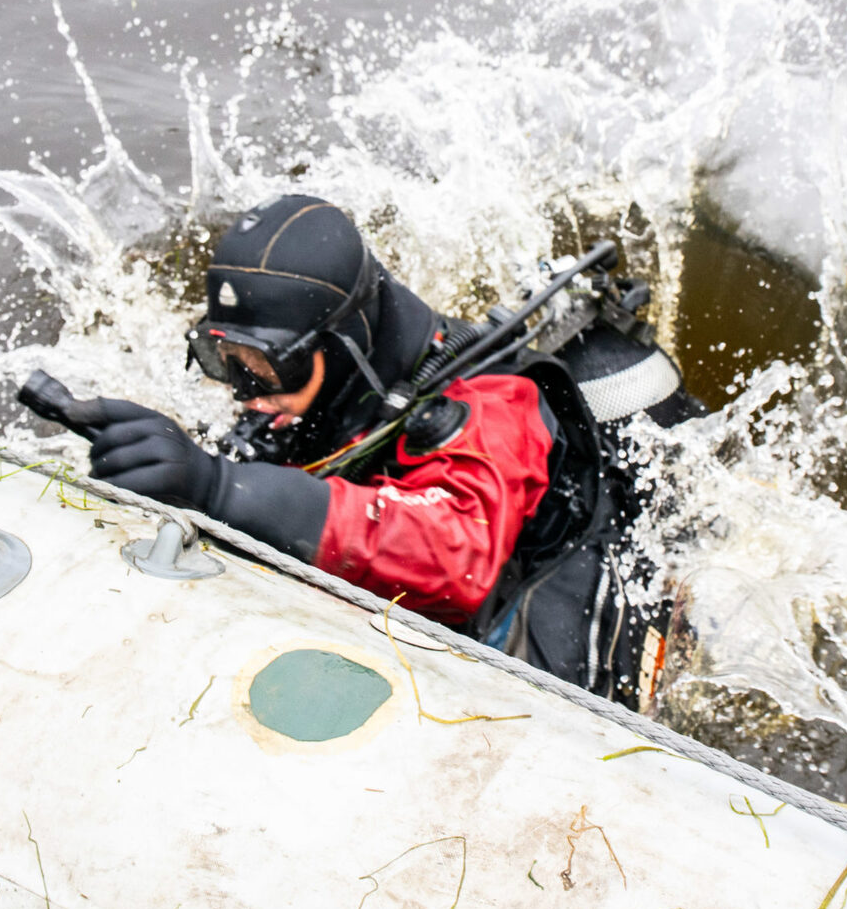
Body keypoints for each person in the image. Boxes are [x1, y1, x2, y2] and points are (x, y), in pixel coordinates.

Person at [70, 193, 700, 706]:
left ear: (345, 343)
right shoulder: (321, 393)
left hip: (565, 598)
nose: (245, 394)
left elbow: (456, 558)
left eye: (267, 367)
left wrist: (221, 488)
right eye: (224, 359)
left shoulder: (495, 407)